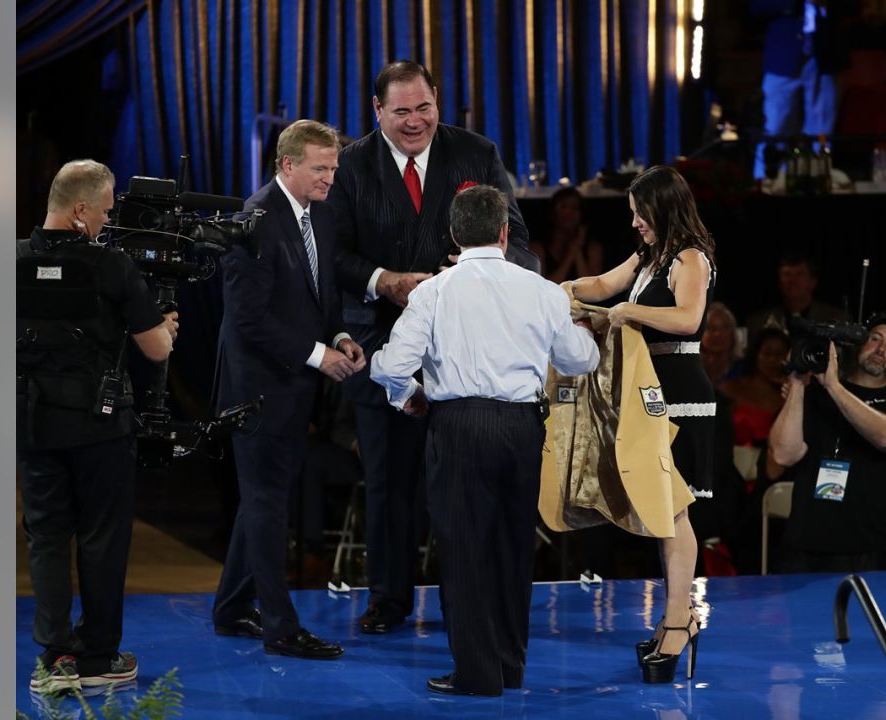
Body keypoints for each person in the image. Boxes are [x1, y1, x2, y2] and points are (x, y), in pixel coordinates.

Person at [327, 60, 537, 635]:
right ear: (378, 112)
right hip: (380, 345)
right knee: (390, 483)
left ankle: (464, 604)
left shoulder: (476, 153)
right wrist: (384, 280)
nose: (416, 121)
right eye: (402, 111)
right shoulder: (349, 166)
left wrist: (475, 266)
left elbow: (517, 242)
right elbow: (332, 256)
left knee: (461, 489)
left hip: (463, 354)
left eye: (425, 107)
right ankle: (388, 600)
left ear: (437, 101)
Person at [369, 186, 599, 695]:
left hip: (458, 426)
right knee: (514, 548)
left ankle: (477, 674)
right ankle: (509, 668)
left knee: (464, 548)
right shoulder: (540, 288)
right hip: (521, 427)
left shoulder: (434, 291)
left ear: (453, 234)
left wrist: (407, 395)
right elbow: (582, 359)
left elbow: (390, 365)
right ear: (502, 233)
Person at [17, 160, 179, 692]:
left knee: (46, 537)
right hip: (100, 428)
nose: (109, 221)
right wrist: (166, 327)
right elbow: (155, 348)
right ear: (82, 209)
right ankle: (99, 657)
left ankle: (56, 657)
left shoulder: (12, 259)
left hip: (33, 426)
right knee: (102, 539)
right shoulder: (111, 265)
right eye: (106, 211)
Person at [212, 119, 364, 660]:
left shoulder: (319, 213)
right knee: (267, 501)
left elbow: (323, 293)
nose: (330, 177)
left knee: (262, 497)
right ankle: (280, 625)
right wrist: (317, 354)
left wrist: (340, 334)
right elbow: (247, 320)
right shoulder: (251, 222)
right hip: (256, 391)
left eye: (334, 167)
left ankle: (232, 608)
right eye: (321, 168)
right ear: (288, 165)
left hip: (293, 387)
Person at [563, 165, 715, 684]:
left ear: (662, 207)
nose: (635, 224)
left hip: (682, 398)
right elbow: (604, 283)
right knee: (662, 513)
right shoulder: (651, 258)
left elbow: (688, 319)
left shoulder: (690, 257)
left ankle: (678, 622)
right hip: (652, 398)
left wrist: (629, 312)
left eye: (639, 213)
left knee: (675, 515)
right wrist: (555, 291)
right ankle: (677, 617)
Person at [769, 312, 886, 572]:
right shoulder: (817, 393)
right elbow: (784, 454)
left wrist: (834, 388)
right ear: (858, 344)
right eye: (874, 338)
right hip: (805, 546)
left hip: (866, 550)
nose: (880, 349)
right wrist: (797, 383)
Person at [750, 1, 854, 180]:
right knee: (776, 125)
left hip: (825, 55)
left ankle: (819, 180)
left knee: (822, 129)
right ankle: (765, 183)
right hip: (783, 55)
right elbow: (758, 6)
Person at [721, 325, 791, 448]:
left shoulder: (790, 396)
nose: (773, 360)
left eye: (779, 354)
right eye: (767, 353)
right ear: (756, 354)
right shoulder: (733, 388)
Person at [745, 254, 848, 336]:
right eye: (786, 274)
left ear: (813, 281)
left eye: (800, 274)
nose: (792, 281)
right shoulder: (759, 323)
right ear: (779, 282)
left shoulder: (836, 320)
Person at [532, 186, 604, 283]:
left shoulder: (593, 248)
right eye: (563, 207)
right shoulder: (537, 248)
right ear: (553, 212)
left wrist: (577, 251)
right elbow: (545, 288)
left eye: (575, 208)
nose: (569, 212)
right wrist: (570, 255)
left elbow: (592, 288)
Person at [701, 301, 743, 385]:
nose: (718, 334)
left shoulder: (744, 370)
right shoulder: (690, 368)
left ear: (732, 334)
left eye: (725, 328)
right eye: (711, 328)